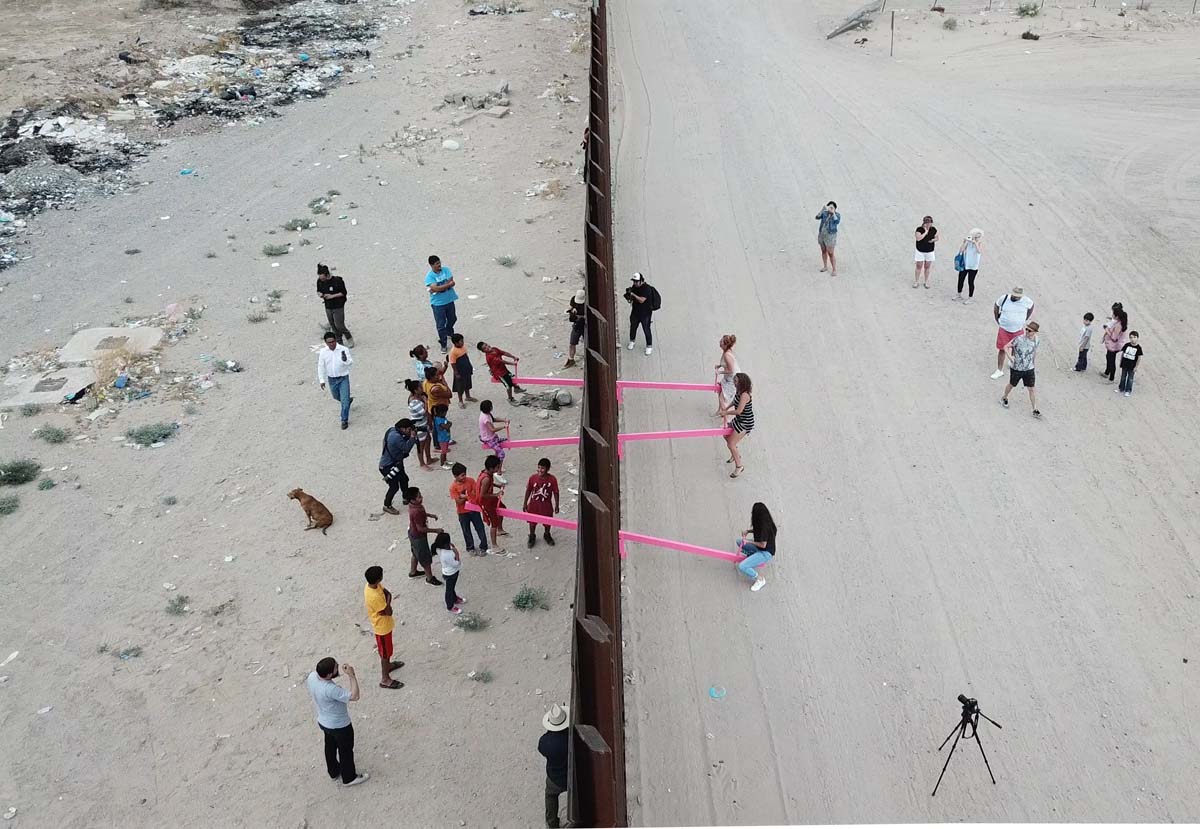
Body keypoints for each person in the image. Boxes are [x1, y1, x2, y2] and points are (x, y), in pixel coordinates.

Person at [306, 657, 368, 787]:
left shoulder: (312, 677)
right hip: (339, 725)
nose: (338, 667)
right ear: (328, 675)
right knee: (345, 750)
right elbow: (354, 696)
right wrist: (352, 676)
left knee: (330, 746)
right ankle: (349, 777)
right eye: (335, 668)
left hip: (323, 721)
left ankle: (333, 771)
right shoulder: (330, 689)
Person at [363, 567, 404, 689]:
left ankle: (388, 666)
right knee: (385, 654)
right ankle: (385, 679)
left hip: (385, 624)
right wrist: (388, 604)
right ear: (378, 579)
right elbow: (389, 611)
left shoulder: (372, 586)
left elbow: (388, 594)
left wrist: (387, 604)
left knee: (387, 651)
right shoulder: (374, 596)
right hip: (382, 628)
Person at [714, 372, 754, 478]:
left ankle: (739, 466)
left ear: (741, 382)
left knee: (731, 444)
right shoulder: (739, 391)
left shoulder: (745, 395)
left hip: (745, 422)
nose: (734, 383)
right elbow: (734, 401)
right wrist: (726, 408)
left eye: (736, 381)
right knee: (725, 435)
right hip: (739, 420)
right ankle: (735, 454)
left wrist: (726, 413)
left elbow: (739, 411)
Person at [991, 286, 1035, 379]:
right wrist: (997, 318)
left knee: (1017, 349)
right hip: (1004, 328)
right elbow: (996, 305)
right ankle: (999, 370)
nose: (1017, 298)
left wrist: (1025, 318)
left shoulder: (1026, 301)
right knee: (1002, 349)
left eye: (1019, 296)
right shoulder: (1004, 298)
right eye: (1015, 296)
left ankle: (1013, 363)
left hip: (1018, 329)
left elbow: (1031, 306)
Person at [538, 703, 570, 828]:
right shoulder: (570, 738)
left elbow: (541, 749)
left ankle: (552, 823)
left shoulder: (545, 742)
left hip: (555, 778)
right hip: (573, 777)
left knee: (550, 795)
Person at [734, 502, 777, 593]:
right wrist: (748, 531)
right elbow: (759, 531)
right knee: (739, 541)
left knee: (742, 566)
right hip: (760, 549)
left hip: (765, 553)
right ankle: (754, 557)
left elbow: (763, 545)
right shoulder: (765, 522)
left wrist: (749, 541)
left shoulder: (765, 527)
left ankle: (760, 579)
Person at [1001, 321, 1041, 418]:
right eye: (1026, 329)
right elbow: (1006, 346)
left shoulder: (1036, 340)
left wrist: (1033, 364)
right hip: (1017, 368)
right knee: (1011, 385)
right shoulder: (1018, 339)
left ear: (1034, 332)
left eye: (1029, 330)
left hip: (1029, 368)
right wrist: (1010, 357)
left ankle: (1035, 409)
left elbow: (1034, 352)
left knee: (1031, 388)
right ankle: (1004, 397)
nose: (1026, 331)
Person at [406, 487, 444, 586]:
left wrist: (429, 515)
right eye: (419, 497)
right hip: (419, 537)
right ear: (412, 500)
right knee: (425, 558)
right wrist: (436, 530)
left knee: (415, 553)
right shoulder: (416, 511)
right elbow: (421, 529)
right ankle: (429, 578)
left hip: (412, 533)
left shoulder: (413, 506)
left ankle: (413, 572)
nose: (421, 498)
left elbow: (421, 514)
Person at [379, 419, 417, 515]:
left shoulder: (392, 430)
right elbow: (406, 448)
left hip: (396, 463)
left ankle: (405, 497)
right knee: (394, 486)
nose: (410, 431)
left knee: (404, 479)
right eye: (409, 429)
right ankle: (387, 505)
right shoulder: (395, 437)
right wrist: (412, 437)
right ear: (403, 428)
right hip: (388, 466)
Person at [450, 462, 489, 555]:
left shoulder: (471, 481)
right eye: (462, 475)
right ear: (455, 476)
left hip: (474, 509)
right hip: (462, 512)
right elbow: (458, 502)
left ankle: (483, 546)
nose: (464, 477)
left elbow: (476, 493)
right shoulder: (453, 487)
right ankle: (470, 547)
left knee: (480, 528)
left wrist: (465, 496)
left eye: (464, 474)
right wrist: (466, 497)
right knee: (466, 530)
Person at [316, 332, 353, 430]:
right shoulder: (323, 352)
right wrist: (321, 380)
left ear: (335, 340)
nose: (331, 344)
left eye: (333, 341)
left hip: (343, 378)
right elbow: (321, 366)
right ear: (326, 343)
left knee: (344, 402)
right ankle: (347, 401)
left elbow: (350, 363)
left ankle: (344, 419)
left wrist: (345, 360)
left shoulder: (343, 349)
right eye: (329, 342)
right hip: (331, 379)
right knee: (336, 396)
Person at [523, 458, 560, 548]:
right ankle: (532, 536)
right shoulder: (532, 478)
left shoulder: (552, 479)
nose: (540, 470)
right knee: (532, 523)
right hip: (533, 505)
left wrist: (557, 505)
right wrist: (524, 503)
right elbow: (528, 490)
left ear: (547, 469)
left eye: (542, 468)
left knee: (548, 522)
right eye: (539, 467)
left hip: (546, 506)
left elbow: (556, 492)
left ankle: (547, 535)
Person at [426, 255, 458, 353]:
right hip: (438, 304)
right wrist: (446, 285)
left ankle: (449, 330)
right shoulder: (429, 276)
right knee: (440, 324)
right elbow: (436, 288)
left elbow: (451, 281)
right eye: (436, 264)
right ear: (431, 265)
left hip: (449, 299)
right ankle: (443, 343)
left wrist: (440, 287)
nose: (439, 265)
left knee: (453, 318)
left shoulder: (446, 270)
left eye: (439, 262)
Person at [317, 263, 354, 347]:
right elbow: (318, 290)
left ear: (327, 275)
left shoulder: (337, 281)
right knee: (332, 324)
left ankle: (349, 337)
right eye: (320, 278)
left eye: (323, 278)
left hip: (338, 306)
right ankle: (339, 341)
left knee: (339, 325)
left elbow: (343, 293)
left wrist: (332, 296)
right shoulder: (319, 281)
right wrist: (320, 294)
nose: (321, 280)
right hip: (328, 306)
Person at [478, 455, 508, 554]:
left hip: (490, 499)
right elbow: (483, 495)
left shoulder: (487, 473)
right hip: (486, 502)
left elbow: (490, 484)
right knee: (493, 523)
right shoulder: (486, 479)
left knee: (502, 508)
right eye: (497, 467)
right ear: (491, 468)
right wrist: (496, 494)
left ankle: (500, 529)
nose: (498, 469)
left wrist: (497, 486)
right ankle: (494, 545)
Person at [624, 272, 658, 355]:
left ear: (641, 281)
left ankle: (649, 346)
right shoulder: (634, 287)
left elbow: (641, 300)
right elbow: (632, 299)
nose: (634, 283)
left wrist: (633, 294)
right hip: (635, 312)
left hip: (645, 314)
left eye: (636, 281)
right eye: (634, 281)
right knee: (633, 327)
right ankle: (632, 341)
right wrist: (629, 296)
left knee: (646, 329)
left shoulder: (647, 289)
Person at [432, 531, 466, 615]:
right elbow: (456, 563)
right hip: (452, 573)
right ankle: (450, 606)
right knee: (449, 590)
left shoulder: (439, 549)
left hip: (447, 572)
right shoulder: (448, 554)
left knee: (451, 587)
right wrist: (456, 553)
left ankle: (454, 598)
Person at [405, 379, 434, 470]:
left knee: (428, 439)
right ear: (415, 390)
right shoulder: (414, 401)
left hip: (424, 423)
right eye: (420, 387)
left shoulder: (418, 396)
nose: (422, 388)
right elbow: (423, 412)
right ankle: (422, 463)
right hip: (418, 426)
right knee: (421, 444)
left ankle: (429, 458)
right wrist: (425, 401)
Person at [1101, 302, 1129, 383]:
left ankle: (1111, 378)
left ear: (1117, 316)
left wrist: (1106, 329)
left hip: (1114, 346)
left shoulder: (1118, 326)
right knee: (1108, 357)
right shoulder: (1122, 321)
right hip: (1114, 345)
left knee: (1111, 360)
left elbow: (1114, 338)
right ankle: (1107, 372)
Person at [448, 333, 478, 408]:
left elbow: (466, 357)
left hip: (466, 369)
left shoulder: (463, 347)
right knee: (460, 387)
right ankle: (460, 401)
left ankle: (468, 396)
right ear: (455, 343)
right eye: (461, 341)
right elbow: (452, 363)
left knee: (467, 383)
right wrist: (456, 373)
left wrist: (470, 366)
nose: (462, 342)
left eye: (462, 340)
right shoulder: (453, 352)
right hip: (460, 371)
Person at [478, 400, 509, 470]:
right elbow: (492, 429)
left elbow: (494, 419)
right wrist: (504, 427)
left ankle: (495, 465)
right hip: (489, 439)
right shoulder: (485, 418)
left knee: (498, 450)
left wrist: (504, 420)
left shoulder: (487, 414)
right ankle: (499, 470)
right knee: (502, 454)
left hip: (492, 436)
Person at [955, 229, 983, 302]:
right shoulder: (968, 242)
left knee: (970, 282)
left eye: (978, 237)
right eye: (976, 236)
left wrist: (975, 243)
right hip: (965, 264)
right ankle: (959, 294)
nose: (977, 238)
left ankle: (970, 297)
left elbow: (979, 251)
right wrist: (965, 242)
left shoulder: (979, 243)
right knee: (960, 279)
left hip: (973, 266)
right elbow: (961, 250)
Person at [815, 201, 841, 276]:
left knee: (831, 253)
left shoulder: (837, 215)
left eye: (832, 207)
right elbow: (817, 217)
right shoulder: (825, 213)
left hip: (831, 236)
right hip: (822, 235)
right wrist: (822, 210)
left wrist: (833, 214)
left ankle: (834, 269)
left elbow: (837, 222)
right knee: (823, 251)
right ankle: (825, 266)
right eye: (829, 207)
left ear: (835, 209)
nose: (830, 208)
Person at [714, 334, 740, 406]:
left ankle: (724, 413)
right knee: (720, 390)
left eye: (721, 341)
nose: (720, 342)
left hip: (732, 379)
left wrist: (719, 372)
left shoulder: (727, 355)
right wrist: (720, 366)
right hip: (728, 377)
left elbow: (731, 370)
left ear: (725, 345)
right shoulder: (726, 351)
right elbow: (727, 363)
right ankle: (720, 411)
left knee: (722, 398)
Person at [913, 215, 939, 289]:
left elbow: (937, 237)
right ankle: (916, 281)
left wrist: (933, 240)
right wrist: (925, 232)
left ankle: (926, 282)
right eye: (926, 223)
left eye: (930, 223)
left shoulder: (933, 229)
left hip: (929, 251)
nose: (928, 224)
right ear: (924, 223)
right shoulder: (919, 229)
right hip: (920, 251)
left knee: (927, 266)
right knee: (919, 266)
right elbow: (918, 238)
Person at [564, 288, 586, 369]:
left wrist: (581, 316)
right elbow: (571, 307)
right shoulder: (573, 299)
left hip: (585, 325)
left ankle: (587, 360)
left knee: (587, 344)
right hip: (577, 324)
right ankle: (571, 359)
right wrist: (570, 311)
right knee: (572, 343)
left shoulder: (587, 303)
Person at [1118, 330, 1143, 397]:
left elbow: (1139, 358)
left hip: (1132, 366)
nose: (1133, 339)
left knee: (1130, 378)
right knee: (1123, 377)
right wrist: (1121, 362)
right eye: (1131, 337)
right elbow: (1123, 353)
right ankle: (1121, 388)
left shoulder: (1138, 348)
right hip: (1125, 364)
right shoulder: (1127, 345)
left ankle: (1128, 390)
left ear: (1137, 338)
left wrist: (1136, 367)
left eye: (1134, 337)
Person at [431, 404, 452, 470]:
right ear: (441, 412)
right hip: (442, 439)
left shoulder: (442, 418)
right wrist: (449, 424)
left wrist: (449, 424)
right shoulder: (438, 419)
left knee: (445, 451)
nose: (446, 414)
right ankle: (442, 464)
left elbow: (448, 423)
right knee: (443, 452)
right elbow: (446, 426)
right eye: (445, 412)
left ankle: (445, 461)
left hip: (446, 437)